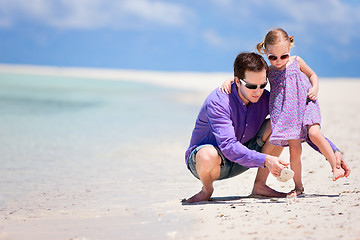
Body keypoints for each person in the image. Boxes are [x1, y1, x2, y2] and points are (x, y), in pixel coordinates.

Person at [220, 28, 351, 197]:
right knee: (294, 152)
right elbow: (251, 75)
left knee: (314, 133)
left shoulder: (297, 61)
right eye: (272, 57)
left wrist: (315, 88)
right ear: (265, 51)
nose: (279, 61)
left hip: (304, 104)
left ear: (290, 48)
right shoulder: (269, 70)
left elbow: (313, 75)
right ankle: (298, 187)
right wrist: (231, 79)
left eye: (284, 56)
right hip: (287, 114)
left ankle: (335, 166)